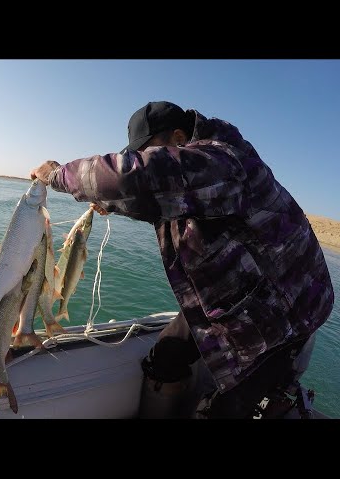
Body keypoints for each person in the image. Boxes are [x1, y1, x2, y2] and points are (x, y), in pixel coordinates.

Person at [30, 101, 335, 419]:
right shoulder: (202, 173)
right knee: (164, 359)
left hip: (285, 316)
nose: (147, 159)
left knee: (224, 409)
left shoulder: (224, 161)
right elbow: (168, 197)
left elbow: (139, 179)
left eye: (149, 151)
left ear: (178, 137)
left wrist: (56, 175)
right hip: (237, 300)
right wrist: (113, 203)